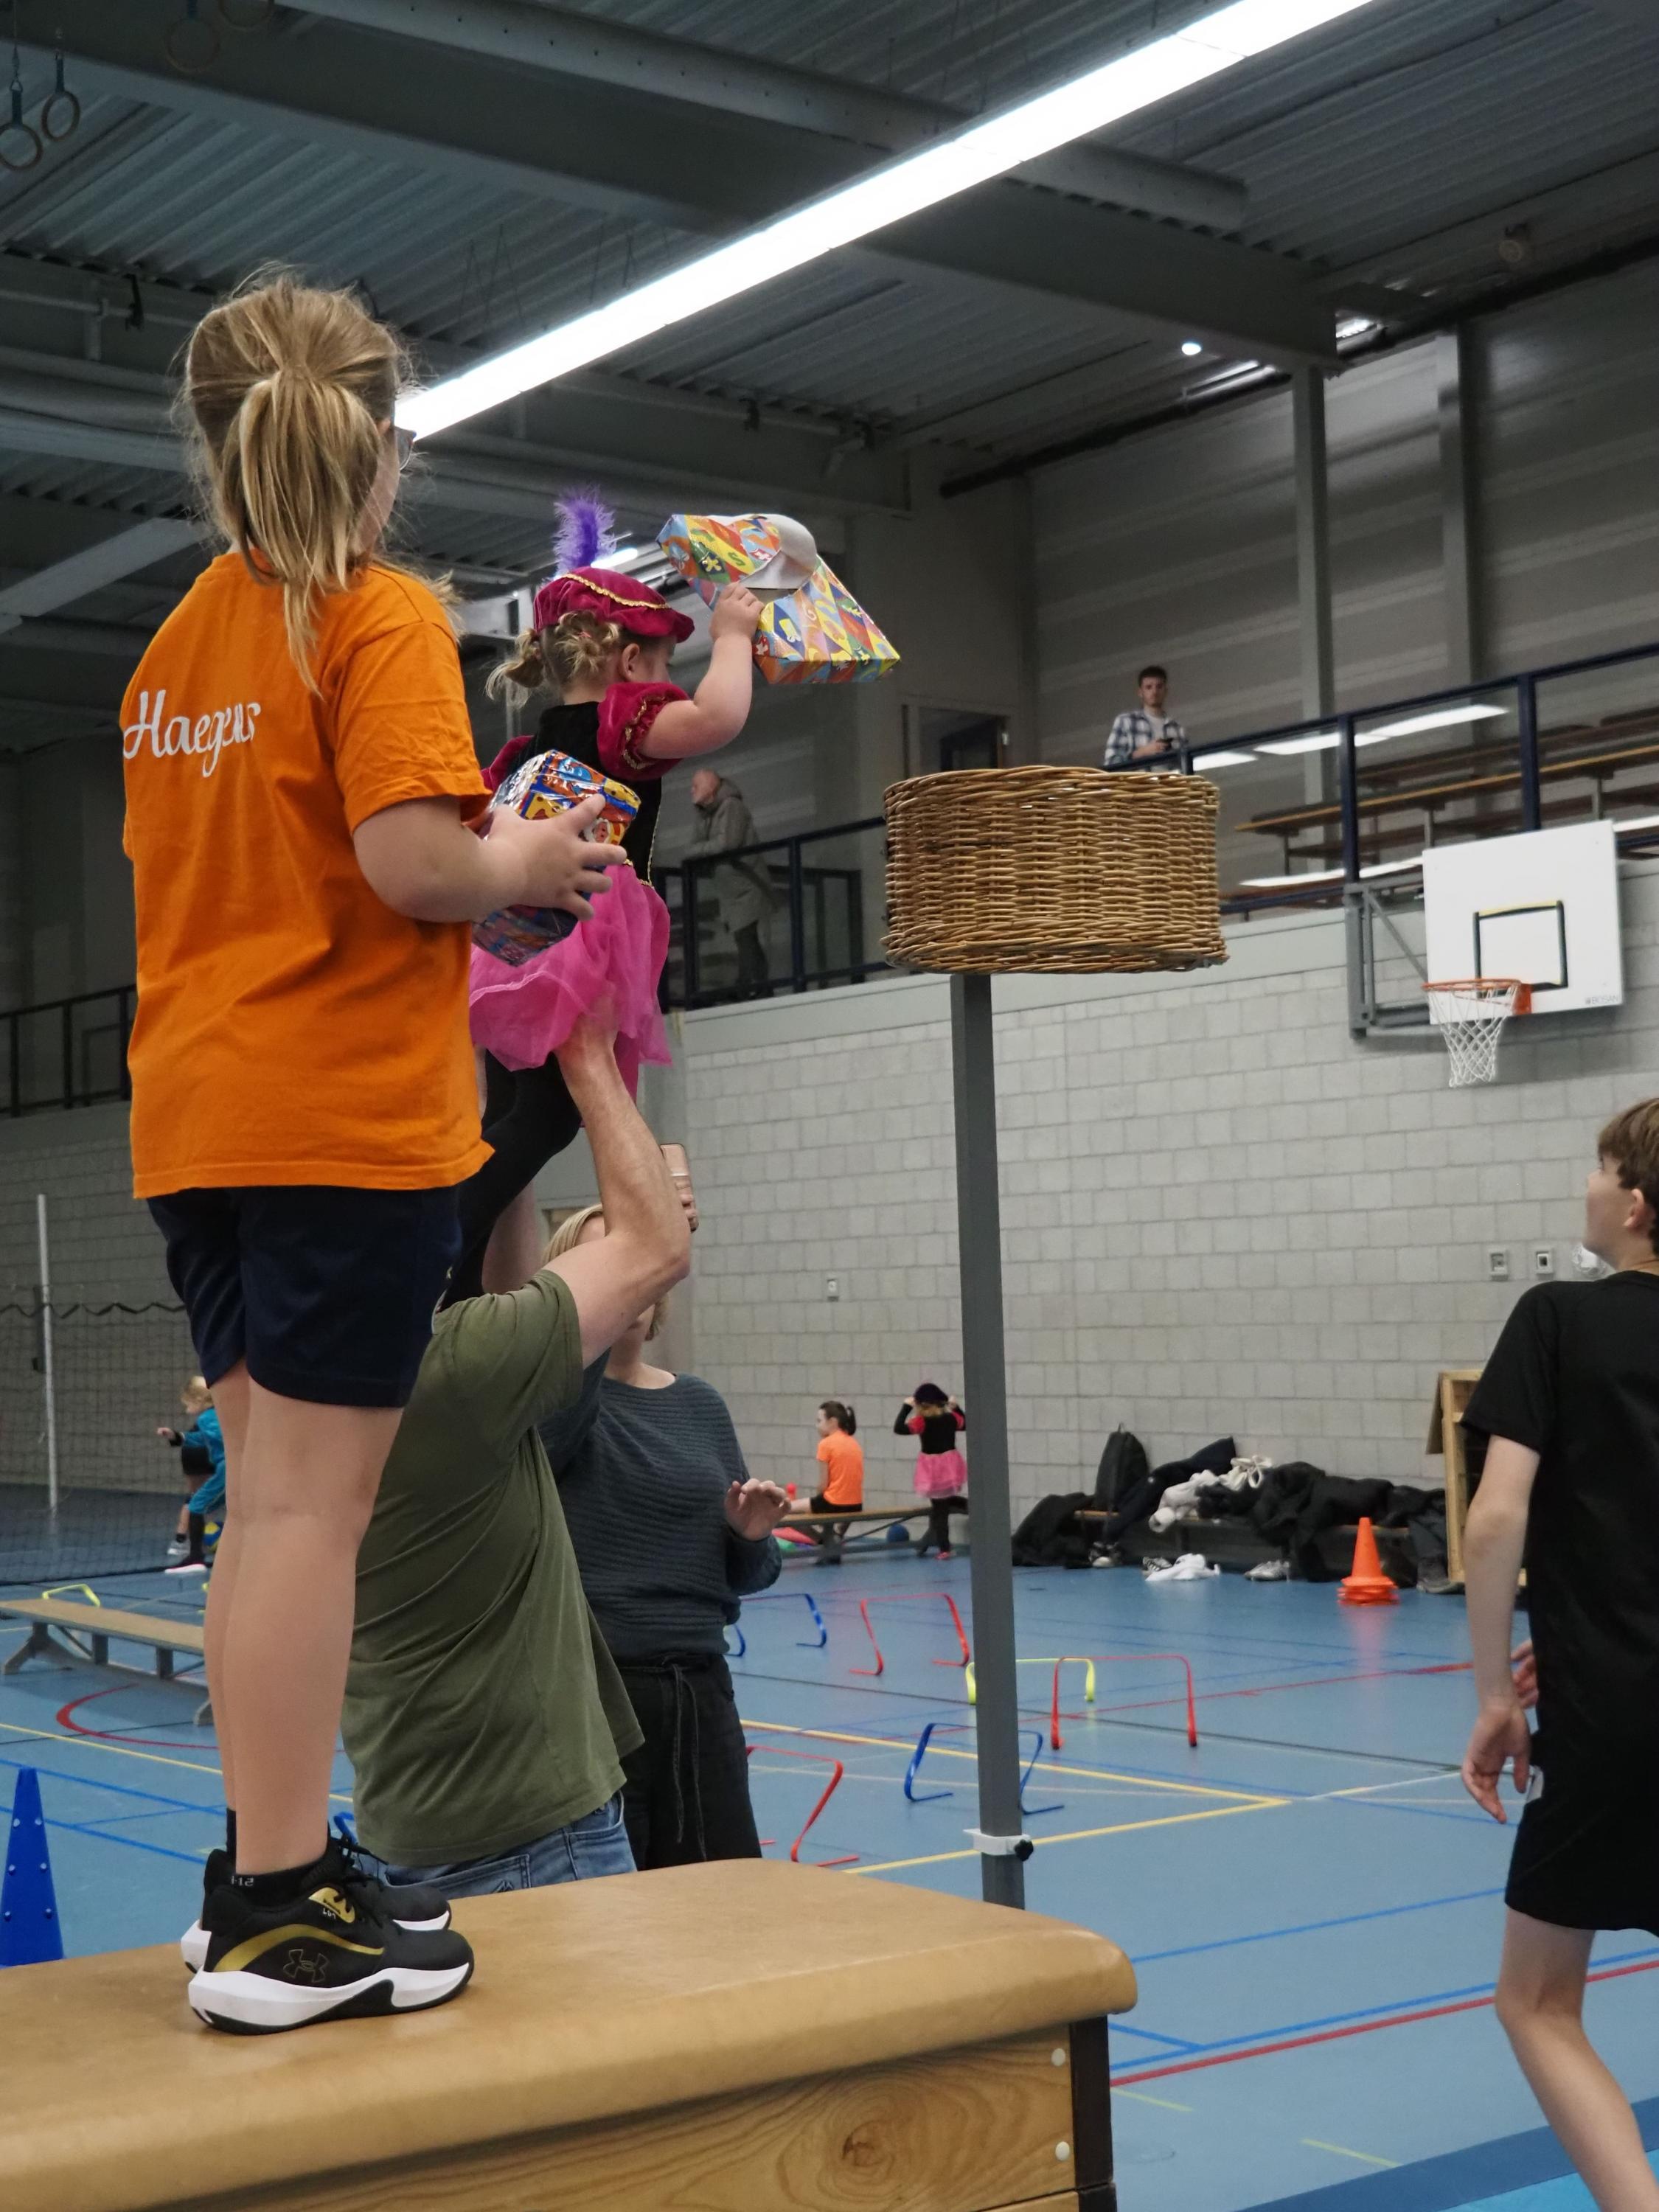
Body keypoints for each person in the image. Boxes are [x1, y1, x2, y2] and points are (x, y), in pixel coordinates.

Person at [125, 275, 618, 2035]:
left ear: (218, 452)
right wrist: (525, 866)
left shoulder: (176, 651)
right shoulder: (377, 613)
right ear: (381, 452)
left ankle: (263, 1873)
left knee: (267, 1507)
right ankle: (279, 1907)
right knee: (307, 1516)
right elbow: (413, 863)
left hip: (198, 1123)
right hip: (335, 1124)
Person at [454, 499, 763, 1297]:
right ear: (628, 665)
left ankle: (457, 1281)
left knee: (509, 1119)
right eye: (663, 664)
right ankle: (443, 1229)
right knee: (551, 1117)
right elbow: (719, 715)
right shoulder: (625, 721)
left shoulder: (528, 747)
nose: (668, 684)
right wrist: (733, 633)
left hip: (510, 944)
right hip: (580, 930)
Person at [1459, 1099, 1659, 2208]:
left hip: (1615, 1716)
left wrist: (1498, 1691)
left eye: (1599, 1168)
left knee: (1536, 2001)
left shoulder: (1556, 1318)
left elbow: (1496, 1519)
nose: (1587, 1184)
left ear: (1634, 1204)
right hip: (1604, 1682)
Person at [542, 1197, 790, 1869]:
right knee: (611, 1902)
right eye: (608, 1261)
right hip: (593, 1699)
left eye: (640, 1260)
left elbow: (749, 1574)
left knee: (719, 1895)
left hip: (701, 1694)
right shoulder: (551, 1405)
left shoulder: (698, 1404)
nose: (630, 1279)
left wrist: (748, 1535)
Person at [683, 768, 776, 999]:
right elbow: (693, 848)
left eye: (696, 786)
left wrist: (700, 851)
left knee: (746, 937)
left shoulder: (732, 807)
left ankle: (747, 986)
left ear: (710, 787)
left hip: (747, 886)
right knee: (745, 937)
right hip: (731, 891)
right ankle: (755, 986)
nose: (692, 791)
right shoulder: (705, 814)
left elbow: (727, 844)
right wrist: (703, 850)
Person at [895, 1384, 967, 1559]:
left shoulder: (921, 1422)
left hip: (933, 1469)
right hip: (950, 1465)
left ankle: (945, 1549)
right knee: (944, 1503)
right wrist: (956, 1408)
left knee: (940, 1510)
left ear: (920, 1405)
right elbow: (966, 1424)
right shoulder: (951, 1418)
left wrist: (906, 1407)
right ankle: (972, 1507)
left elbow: (899, 1428)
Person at [164, 1384, 226, 1578]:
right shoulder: (216, 1415)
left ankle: (195, 1558)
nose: (186, 1408)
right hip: (233, 1466)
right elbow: (204, 1438)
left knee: (196, 1505)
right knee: (210, 1505)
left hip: (228, 1468)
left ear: (199, 1401)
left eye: (188, 1403)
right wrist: (178, 1437)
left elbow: (224, 1437)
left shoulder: (207, 1417)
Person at [159, 1374, 212, 1557]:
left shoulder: (207, 1413)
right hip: (203, 1450)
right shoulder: (220, 1409)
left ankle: (181, 1540)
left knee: (195, 1495)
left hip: (190, 1450)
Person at [1103, 665, 1187, 768]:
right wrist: (1141, 753)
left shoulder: (1177, 728)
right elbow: (1110, 763)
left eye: (1159, 687)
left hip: (1169, 778)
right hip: (1139, 778)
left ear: (1166, 691)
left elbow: (1186, 765)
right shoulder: (1126, 722)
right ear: (1140, 692)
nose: (1154, 692)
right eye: (1149, 687)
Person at [810, 1400, 863, 1560]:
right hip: (856, 1505)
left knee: (785, 1511)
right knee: (819, 1506)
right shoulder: (853, 1442)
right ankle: (834, 1538)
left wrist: (817, 1503)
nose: (817, 1426)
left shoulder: (825, 1444)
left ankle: (823, 1541)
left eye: (819, 1421)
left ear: (832, 1422)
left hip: (834, 1503)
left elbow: (823, 1485)